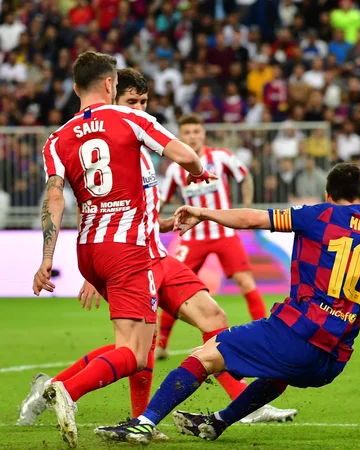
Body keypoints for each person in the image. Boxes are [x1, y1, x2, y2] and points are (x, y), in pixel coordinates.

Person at [17, 69, 297, 434]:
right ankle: (107, 406)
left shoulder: (140, 149)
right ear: (112, 96)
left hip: (155, 252)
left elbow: (136, 204)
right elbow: (101, 205)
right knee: (137, 350)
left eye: (143, 102)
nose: (138, 107)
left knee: (212, 318)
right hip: (128, 255)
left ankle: (240, 404)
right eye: (131, 101)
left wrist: (162, 224)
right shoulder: (120, 131)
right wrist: (95, 274)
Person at [94, 163, 360, 444]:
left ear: (328, 195)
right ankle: (218, 422)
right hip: (333, 361)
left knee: (206, 354)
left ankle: (145, 423)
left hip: (298, 334)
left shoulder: (319, 215)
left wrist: (204, 212)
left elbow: (254, 219)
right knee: (278, 374)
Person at [31, 51, 211, 448]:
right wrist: (199, 171)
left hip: (88, 251)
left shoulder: (56, 138)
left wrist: (46, 259)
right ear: (111, 85)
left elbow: (55, 199)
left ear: (76, 88)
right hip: (128, 249)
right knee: (133, 352)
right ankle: (66, 391)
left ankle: (138, 422)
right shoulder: (131, 118)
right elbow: (187, 156)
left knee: (140, 347)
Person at [157, 113, 263, 360]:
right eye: (187, 133)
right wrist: (161, 223)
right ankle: (162, 344)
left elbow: (244, 176)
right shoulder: (175, 169)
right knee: (173, 288)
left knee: (246, 282)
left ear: (203, 133)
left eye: (196, 131)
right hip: (193, 236)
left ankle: (265, 336)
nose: (192, 136)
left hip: (224, 231)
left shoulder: (220, 157)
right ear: (180, 137)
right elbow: (159, 204)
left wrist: (246, 206)